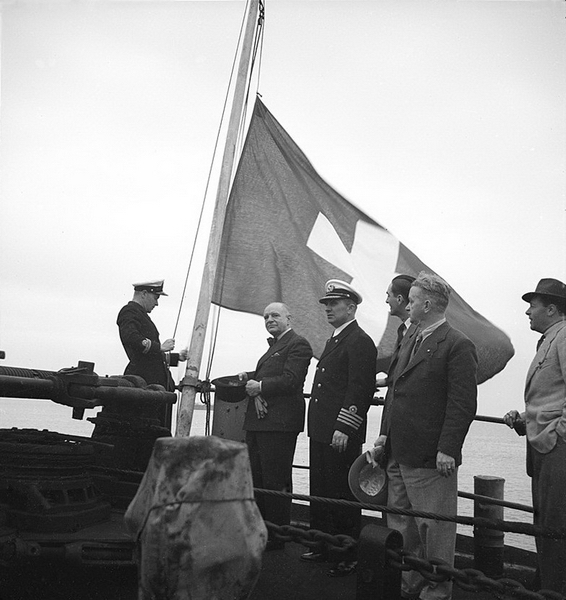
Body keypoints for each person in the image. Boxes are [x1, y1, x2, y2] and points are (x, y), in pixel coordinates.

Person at [369, 271, 477, 600]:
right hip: (398, 451)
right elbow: (396, 391)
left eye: (413, 300)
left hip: (430, 457)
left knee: (434, 529)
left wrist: (448, 449)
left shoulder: (457, 344)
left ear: (427, 305)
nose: (408, 306)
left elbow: (462, 403)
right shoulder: (411, 337)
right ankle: (409, 586)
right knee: (401, 524)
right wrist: (384, 436)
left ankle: (437, 591)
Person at [302, 279, 377, 577]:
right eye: (327, 304)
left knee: (342, 494)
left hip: (339, 431)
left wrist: (344, 427)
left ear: (351, 307)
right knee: (321, 490)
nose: (328, 309)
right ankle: (322, 545)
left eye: (334, 304)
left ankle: (347, 553)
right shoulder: (335, 339)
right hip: (322, 429)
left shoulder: (359, 341)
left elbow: (360, 389)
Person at [503, 278, 566, 596]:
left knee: (554, 524)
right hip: (544, 446)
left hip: (556, 448)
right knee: (546, 522)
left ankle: (553, 591)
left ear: (552, 309)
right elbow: (550, 397)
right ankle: (547, 585)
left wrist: (559, 435)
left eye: (533, 306)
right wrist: (524, 419)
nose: (528, 311)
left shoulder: (564, 336)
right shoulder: (549, 339)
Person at [238, 302, 313, 550]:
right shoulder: (275, 347)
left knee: (275, 481)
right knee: (257, 479)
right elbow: (271, 373)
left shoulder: (298, 344)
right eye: (266, 316)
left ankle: (277, 536)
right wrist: (250, 377)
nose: (269, 319)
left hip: (279, 424)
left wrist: (259, 387)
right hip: (261, 423)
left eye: (275, 315)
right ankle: (261, 531)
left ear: (288, 319)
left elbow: (292, 380)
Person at [117, 279, 187, 427]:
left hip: (153, 385)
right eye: (156, 298)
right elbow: (131, 338)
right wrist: (159, 347)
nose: (157, 303)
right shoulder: (129, 311)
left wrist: (177, 357)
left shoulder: (140, 314)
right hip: (146, 383)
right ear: (144, 294)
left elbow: (149, 357)